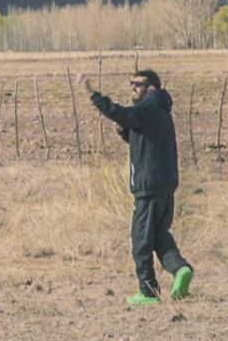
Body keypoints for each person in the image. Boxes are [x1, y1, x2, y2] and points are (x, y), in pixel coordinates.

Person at [77, 68, 194, 305]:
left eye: (138, 84)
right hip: (165, 188)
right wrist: (125, 133)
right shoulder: (161, 111)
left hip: (148, 189)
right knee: (159, 236)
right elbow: (145, 141)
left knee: (140, 241)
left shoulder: (147, 108)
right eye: (131, 83)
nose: (132, 87)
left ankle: (148, 292)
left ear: (151, 88)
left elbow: (117, 112)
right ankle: (180, 269)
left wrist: (92, 94)